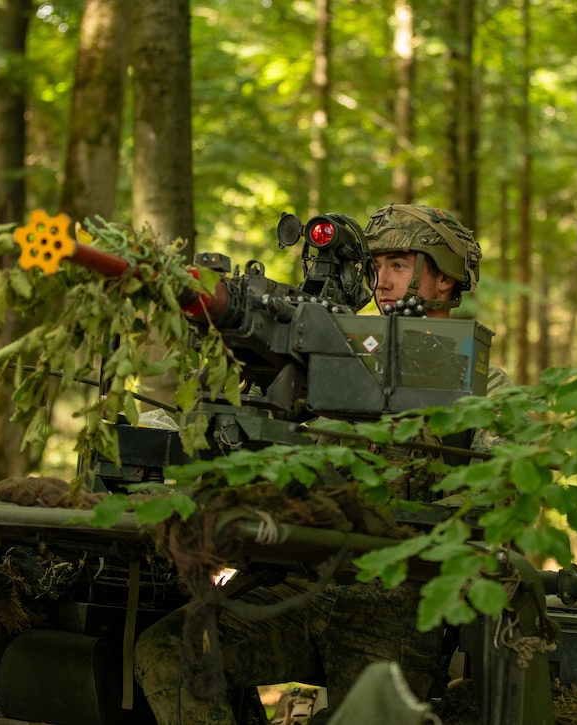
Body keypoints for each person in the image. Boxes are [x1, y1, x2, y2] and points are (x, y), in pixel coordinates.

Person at [134, 203, 494, 725]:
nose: (382, 280)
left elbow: (495, 495)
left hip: (393, 603)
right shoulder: (335, 353)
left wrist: (414, 533)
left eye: (399, 264)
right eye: (376, 266)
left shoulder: (481, 380)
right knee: (173, 650)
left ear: (445, 279)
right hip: (303, 583)